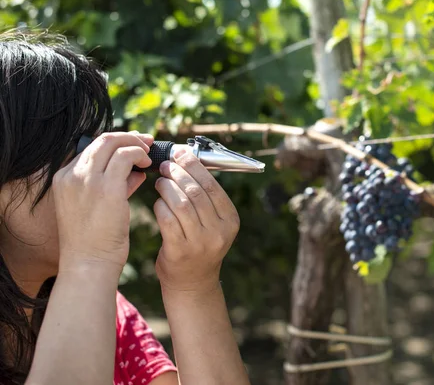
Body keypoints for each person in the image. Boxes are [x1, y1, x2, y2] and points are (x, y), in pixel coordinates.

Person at [0, 30, 250, 384]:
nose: (90, 171)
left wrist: (194, 288)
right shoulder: (89, 288)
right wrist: (88, 261)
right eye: (71, 147)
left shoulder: (107, 315)